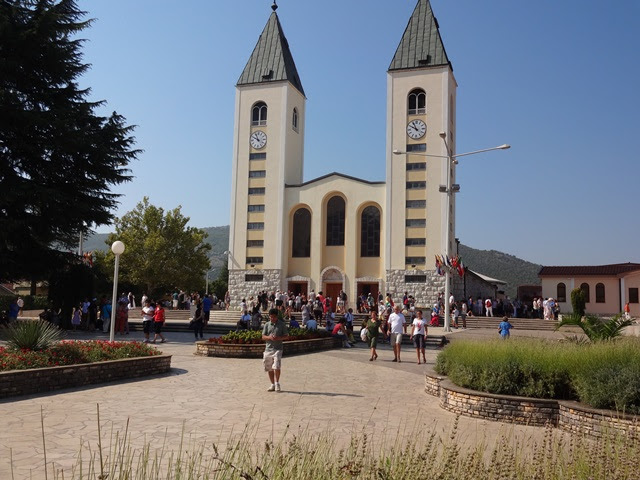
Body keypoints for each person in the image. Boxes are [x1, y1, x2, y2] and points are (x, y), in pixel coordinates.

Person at [262, 308, 288, 392]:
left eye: (274, 317)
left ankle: (277, 383)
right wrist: (269, 337)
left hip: (278, 348)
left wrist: (278, 338)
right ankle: (272, 384)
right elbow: (263, 336)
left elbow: (286, 336)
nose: (272, 318)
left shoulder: (282, 324)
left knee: (276, 366)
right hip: (268, 348)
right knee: (269, 367)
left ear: (277, 316)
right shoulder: (267, 325)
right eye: (271, 317)